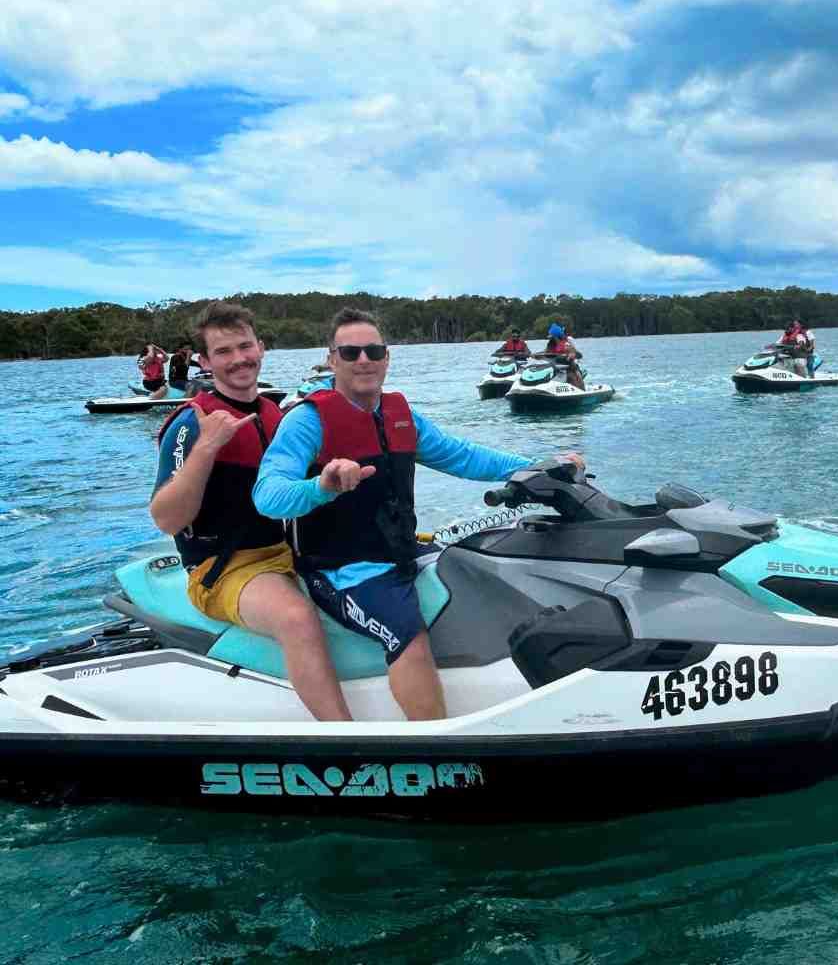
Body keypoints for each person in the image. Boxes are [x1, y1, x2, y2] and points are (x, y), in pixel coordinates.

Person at [253, 307, 584, 722]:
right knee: (409, 637)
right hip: (343, 569)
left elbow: (462, 456)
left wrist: (539, 465)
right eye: (350, 352)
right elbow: (267, 496)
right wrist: (322, 486)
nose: (363, 360)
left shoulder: (399, 415)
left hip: (402, 552)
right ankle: (437, 746)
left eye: (373, 350)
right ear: (332, 358)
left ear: (387, 357)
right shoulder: (307, 421)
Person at [150, 301, 351, 722]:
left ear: (260, 347)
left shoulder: (273, 414)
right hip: (221, 570)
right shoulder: (193, 423)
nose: (238, 359)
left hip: (284, 553)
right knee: (297, 618)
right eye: (223, 352)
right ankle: (348, 740)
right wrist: (207, 447)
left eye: (245, 346)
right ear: (204, 361)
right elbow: (166, 518)